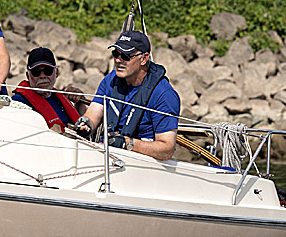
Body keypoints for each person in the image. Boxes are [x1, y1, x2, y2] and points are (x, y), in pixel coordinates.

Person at [73, 30, 179, 160]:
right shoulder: (110, 80)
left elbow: (167, 149)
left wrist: (127, 144)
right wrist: (86, 123)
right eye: (115, 54)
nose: (118, 60)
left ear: (144, 58)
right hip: (105, 156)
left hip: (141, 163)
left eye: (126, 56)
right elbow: (94, 111)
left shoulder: (164, 95)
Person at [11, 47, 89, 132]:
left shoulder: (61, 98)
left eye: (48, 71)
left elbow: (83, 125)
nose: (42, 76)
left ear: (56, 73)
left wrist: (80, 103)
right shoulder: (19, 102)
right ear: (28, 76)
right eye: (36, 72)